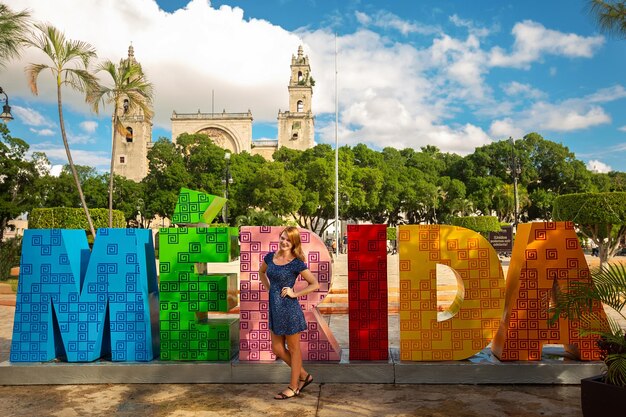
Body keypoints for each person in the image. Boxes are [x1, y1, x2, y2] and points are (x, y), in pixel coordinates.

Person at [259, 226, 320, 400]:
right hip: (275, 308)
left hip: (290, 309)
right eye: (283, 238)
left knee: (294, 350)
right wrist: (270, 289)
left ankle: (293, 387)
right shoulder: (270, 257)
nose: (284, 242)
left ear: (294, 243)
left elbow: (314, 284)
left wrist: (295, 293)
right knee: (277, 348)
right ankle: (304, 375)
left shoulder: (296, 263)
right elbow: (261, 272)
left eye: (289, 240)